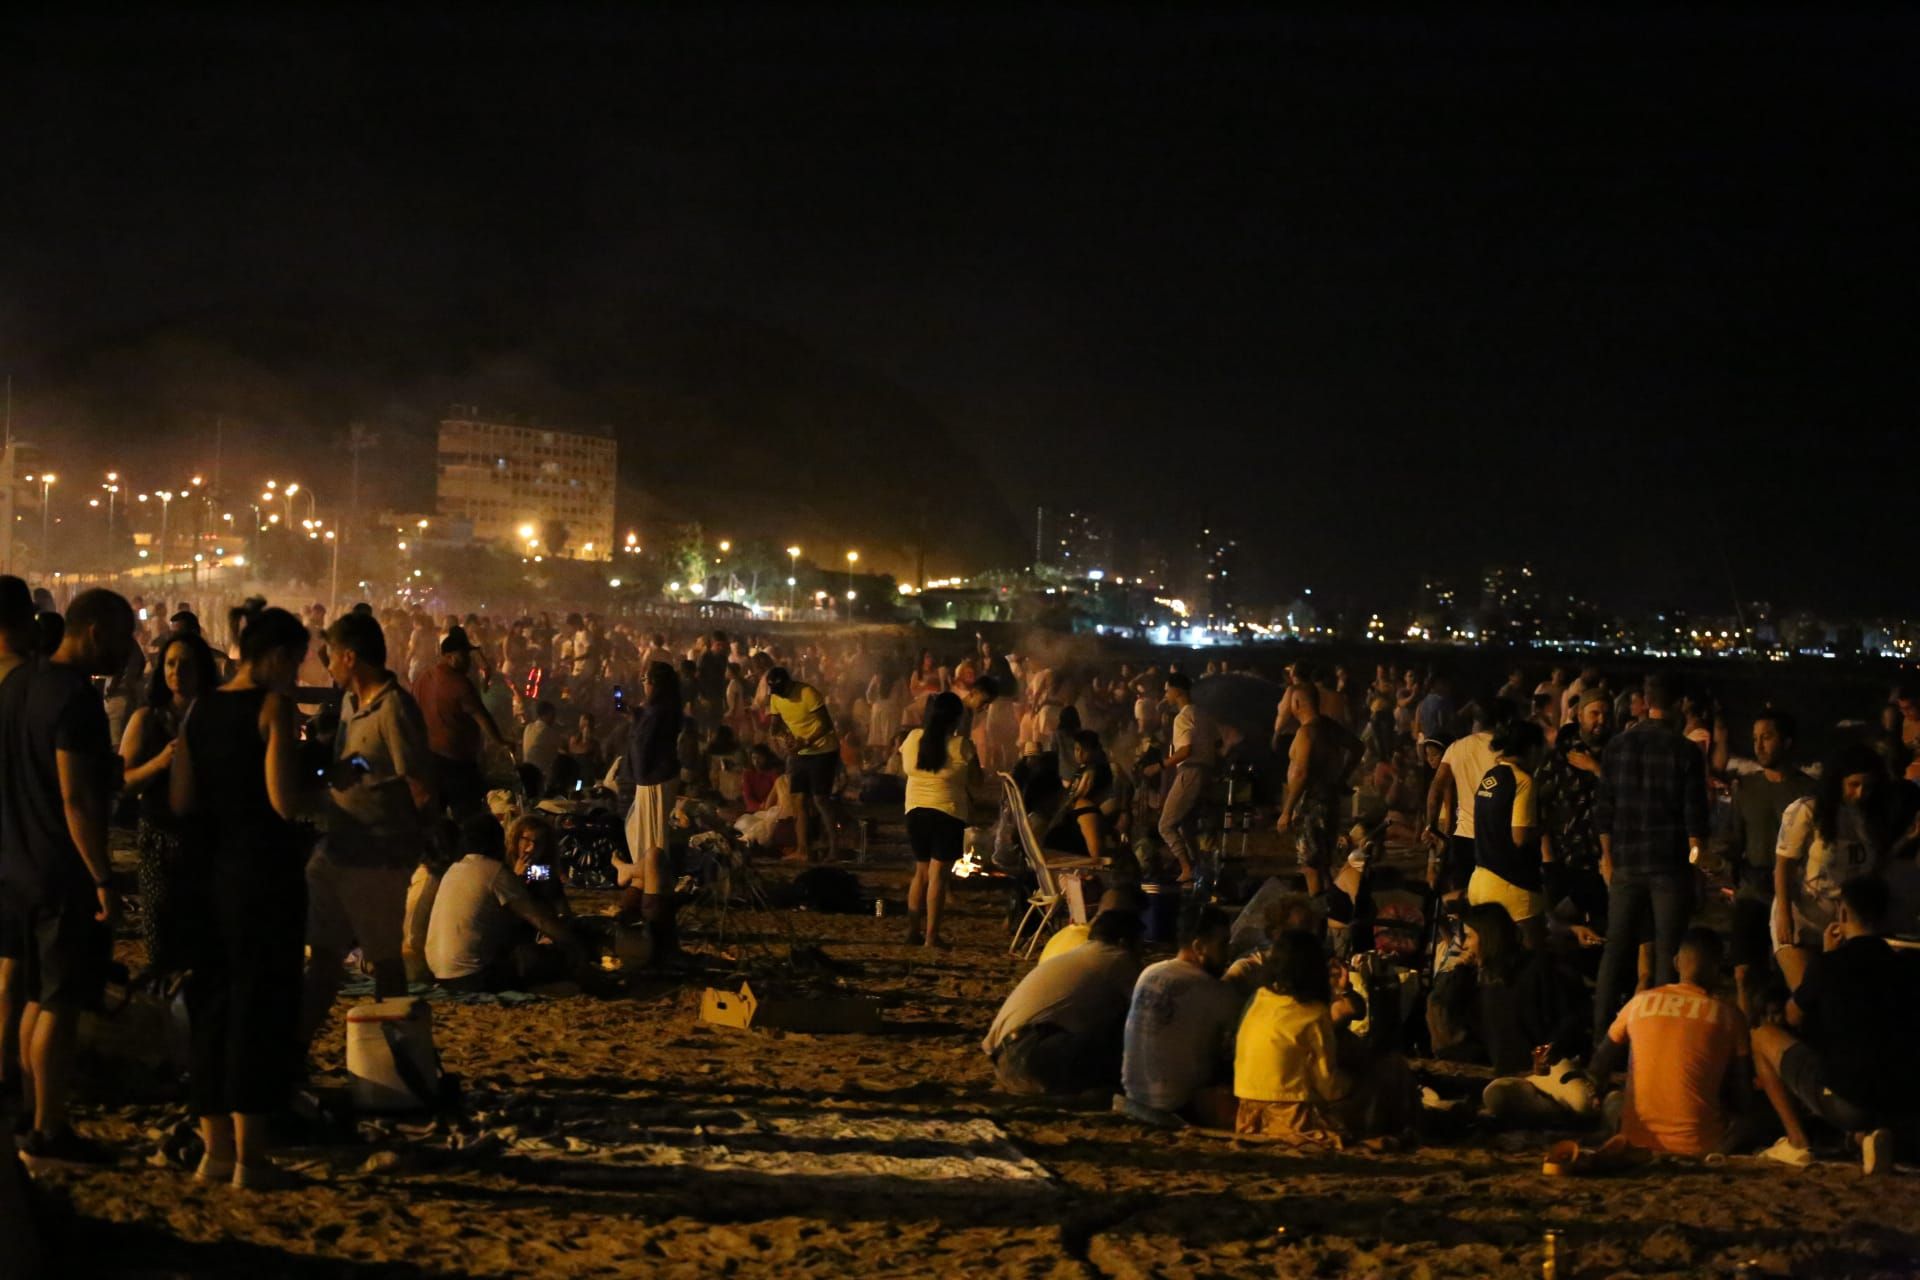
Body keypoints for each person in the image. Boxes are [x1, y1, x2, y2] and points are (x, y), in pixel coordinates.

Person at [169, 604, 311, 1189]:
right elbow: (284, 802)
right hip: (259, 875)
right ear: (276, 658)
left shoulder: (201, 708)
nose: (296, 676)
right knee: (257, 1009)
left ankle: (213, 1153)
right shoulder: (272, 708)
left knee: (211, 1008)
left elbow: (180, 799)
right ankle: (252, 1160)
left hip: (203, 873)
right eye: (295, 663)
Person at [1, 589, 136, 1168]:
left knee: (34, 996)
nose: (129, 649)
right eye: (125, 635)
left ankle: (34, 1114)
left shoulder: (19, 686)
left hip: (15, 868)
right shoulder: (74, 698)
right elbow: (76, 797)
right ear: (96, 630)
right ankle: (50, 1130)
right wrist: (102, 877)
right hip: (59, 871)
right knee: (60, 1001)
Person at [299, 611, 434, 1054]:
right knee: (322, 961)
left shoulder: (394, 708)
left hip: (377, 857)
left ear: (351, 658)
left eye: (332, 658)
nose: (329, 667)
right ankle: (292, 1053)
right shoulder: (350, 706)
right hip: (337, 849)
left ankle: (398, 1060)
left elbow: (418, 784)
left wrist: (413, 852)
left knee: (384, 961)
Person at [1752, 876, 1915, 1173]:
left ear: (1841, 914)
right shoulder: (1907, 967)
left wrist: (1827, 957)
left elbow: (1793, 1015)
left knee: (1763, 1037)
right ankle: (1869, 1137)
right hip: (1900, 1098)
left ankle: (1798, 1141)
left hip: (1846, 1097)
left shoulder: (1828, 966)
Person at [1591, 676, 1708, 1049]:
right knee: (1666, 951)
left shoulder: (1616, 746)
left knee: (1616, 948)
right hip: (1668, 865)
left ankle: (1601, 1036)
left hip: (1625, 862)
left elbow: (1604, 811)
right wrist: (1696, 863)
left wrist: (1607, 859)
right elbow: (1695, 822)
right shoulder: (1685, 751)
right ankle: (1654, 1041)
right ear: (1676, 707)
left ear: (1644, 702)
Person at [1233, 930, 1414, 1146]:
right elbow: (1329, 1086)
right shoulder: (1312, 1014)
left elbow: (1352, 1012)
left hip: (1249, 1113)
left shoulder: (1261, 1000)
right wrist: (1359, 1081)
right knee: (1390, 1072)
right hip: (1295, 1115)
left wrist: (1343, 990)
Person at [1586, 926, 1750, 1156]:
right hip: (1701, 1144)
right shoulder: (1729, 1015)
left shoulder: (1639, 1003)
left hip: (1636, 1140)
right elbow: (1743, 1094)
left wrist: (1599, 1090)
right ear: (1717, 968)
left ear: (1676, 963)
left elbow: (1599, 1065)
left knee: (1614, 1099)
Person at [117, 631, 220, 981]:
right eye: (171, 663)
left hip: (209, 844)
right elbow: (124, 781)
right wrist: (161, 762)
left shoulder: (215, 717)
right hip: (160, 842)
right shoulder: (147, 719)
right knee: (162, 943)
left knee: (206, 946)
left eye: (187, 665)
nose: (177, 671)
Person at [983, 907, 1144, 1095]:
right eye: (1142, 945)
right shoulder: (1116, 958)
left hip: (1005, 1061)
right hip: (1031, 1058)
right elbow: (1146, 1009)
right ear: (1124, 942)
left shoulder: (1079, 954)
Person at [1712, 711, 1814, 1005]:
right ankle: (1747, 1038)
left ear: (1787, 741)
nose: (1759, 746)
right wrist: (1720, 865)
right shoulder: (1746, 788)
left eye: (1767, 737)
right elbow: (1734, 838)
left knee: (1787, 974)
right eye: (1755, 738)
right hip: (1752, 888)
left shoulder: (1807, 791)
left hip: (1792, 893)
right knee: (1743, 972)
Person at [425, 813, 587, 991]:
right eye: (526, 840)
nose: (530, 848)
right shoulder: (498, 870)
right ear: (512, 839)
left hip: (443, 972)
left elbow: (556, 903)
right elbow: (535, 918)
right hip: (475, 973)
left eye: (539, 843)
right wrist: (574, 945)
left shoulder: (456, 869)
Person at [1118, 905, 1240, 1127]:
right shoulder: (1213, 990)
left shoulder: (1149, 973)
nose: (1228, 953)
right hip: (1177, 1106)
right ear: (1199, 947)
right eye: (1222, 944)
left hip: (1134, 1097)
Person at [1772, 741, 1894, 952]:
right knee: (1808, 983)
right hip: (1805, 913)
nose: (1861, 793)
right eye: (1854, 784)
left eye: (1869, 786)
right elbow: (1783, 864)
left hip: (1846, 923)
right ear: (1838, 781)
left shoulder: (1868, 818)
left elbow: (1874, 867)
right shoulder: (1808, 810)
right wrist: (1784, 914)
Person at [614, 662, 685, 958]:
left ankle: (631, 876)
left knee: (651, 842)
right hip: (653, 779)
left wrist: (637, 777)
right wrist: (636, 714)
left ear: (656, 683)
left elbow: (644, 746)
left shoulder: (661, 712)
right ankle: (634, 886)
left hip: (654, 779)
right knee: (641, 836)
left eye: (645, 680)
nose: (643, 685)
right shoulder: (662, 709)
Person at [412, 625, 514, 819]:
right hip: (457, 761)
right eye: (464, 656)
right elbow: (482, 716)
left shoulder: (423, 677)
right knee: (468, 816)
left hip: (428, 759)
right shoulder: (459, 683)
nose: (469, 661)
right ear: (449, 656)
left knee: (435, 819)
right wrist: (502, 742)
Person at [1533, 689, 1610, 931]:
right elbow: (1539, 805)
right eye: (1594, 713)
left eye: (1606, 714)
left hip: (1606, 862)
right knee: (1562, 930)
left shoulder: (1617, 756)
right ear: (1579, 716)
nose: (1601, 720)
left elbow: (1627, 798)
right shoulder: (1560, 757)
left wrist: (1597, 770)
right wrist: (1547, 856)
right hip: (1566, 860)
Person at [900, 691, 972, 949]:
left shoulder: (912, 739)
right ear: (955, 719)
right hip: (947, 812)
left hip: (915, 811)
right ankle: (931, 936)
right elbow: (975, 780)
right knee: (938, 876)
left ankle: (912, 932)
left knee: (920, 872)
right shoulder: (960, 745)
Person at [1275, 680, 1361, 897]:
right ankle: (1331, 909)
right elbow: (1358, 746)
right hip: (1329, 798)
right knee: (1322, 863)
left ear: (1296, 703)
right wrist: (1342, 777)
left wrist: (1287, 810)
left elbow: (1302, 773)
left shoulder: (1307, 733)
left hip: (1311, 802)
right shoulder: (1329, 727)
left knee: (1310, 865)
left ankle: (1318, 913)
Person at [1467, 720, 1548, 947]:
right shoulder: (1523, 781)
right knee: (1530, 963)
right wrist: (1546, 826)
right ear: (1532, 749)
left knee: (1492, 963)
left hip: (1480, 881)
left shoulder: (1490, 777)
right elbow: (1519, 837)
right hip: (1512, 886)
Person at [1425, 700, 1502, 903]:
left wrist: (1431, 825)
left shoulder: (1456, 748)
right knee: (1493, 898)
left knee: (1462, 896)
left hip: (1464, 836)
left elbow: (1436, 788)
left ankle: (1464, 934)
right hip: (1496, 835)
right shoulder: (1503, 748)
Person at [766, 666, 842, 863]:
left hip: (822, 750)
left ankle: (835, 848)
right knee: (797, 800)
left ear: (789, 683)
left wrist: (806, 741)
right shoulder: (776, 697)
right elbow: (775, 723)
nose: (780, 695)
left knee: (820, 800)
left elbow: (826, 724)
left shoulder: (807, 692)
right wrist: (783, 737)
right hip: (799, 753)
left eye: (782, 690)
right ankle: (803, 850)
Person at [1156, 674, 1216, 884]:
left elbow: (1185, 750)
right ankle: (1200, 869)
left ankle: (1186, 867)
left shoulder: (1183, 717)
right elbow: (1216, 743)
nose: (1166, 695)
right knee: (1187, 825)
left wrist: (1161, 765)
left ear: (1178, 691)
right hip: (1207, 772)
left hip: (1190, 771)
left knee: (1165, 825)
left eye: (1167, 690)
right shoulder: (1203, 714)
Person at [521, 699, 563, 795]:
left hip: (525, 775)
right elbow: (561, 750)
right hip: (541, 778)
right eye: (553, 715)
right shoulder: (548, 732)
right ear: (548, 714)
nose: (554, 718)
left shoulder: (528, 727)